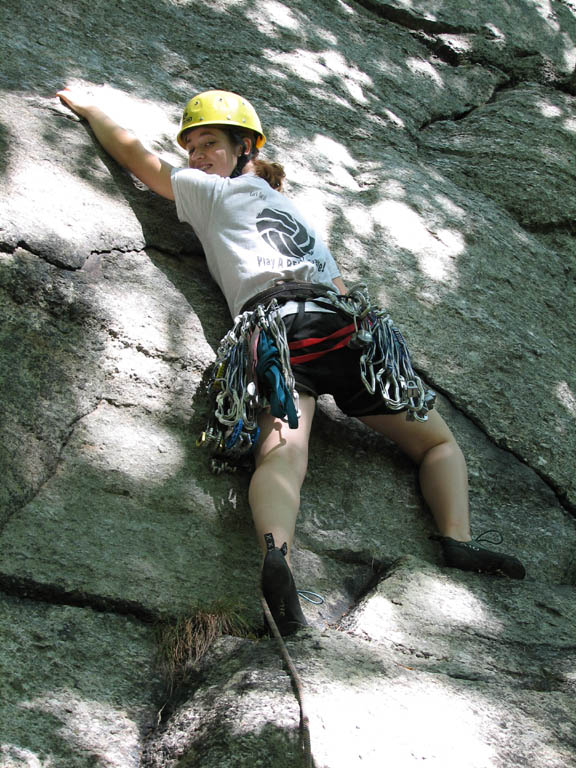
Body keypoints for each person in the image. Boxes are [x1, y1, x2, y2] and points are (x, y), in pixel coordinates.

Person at [56, 87, 526, 635]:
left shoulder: (209, 193)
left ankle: (276, 553)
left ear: (243, 150)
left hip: (276, 330)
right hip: (343, 326)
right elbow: (342, 286)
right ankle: (457, 541)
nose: (196, 157)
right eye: (191, 148)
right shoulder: (291, 209)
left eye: (209, 143)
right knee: (440, 443)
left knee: (280, 459)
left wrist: (93, 111)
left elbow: (137, 159)